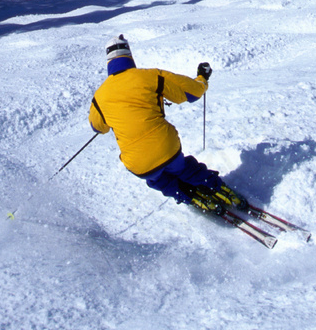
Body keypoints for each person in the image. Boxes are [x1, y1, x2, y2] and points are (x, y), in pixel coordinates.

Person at [89, 34, 246, 212]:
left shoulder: (100, 96)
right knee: (182, 168)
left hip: (137, 162)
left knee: (156, 179)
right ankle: (217, 188)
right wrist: (202, 78)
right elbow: (192, 93)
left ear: (108, 61)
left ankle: (189, 196)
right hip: (166, 146)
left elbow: (97, 127)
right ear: (129, 56)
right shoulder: (151, 76)